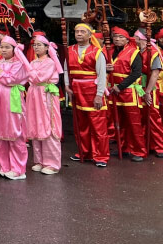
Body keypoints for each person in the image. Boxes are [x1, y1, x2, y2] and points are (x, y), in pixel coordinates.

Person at [64, 23, 109, 167]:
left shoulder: (97, 51)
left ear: (90, 35)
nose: (78, 34)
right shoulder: (69, 50)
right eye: (77, 31)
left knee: (98, 126)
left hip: (92, 91)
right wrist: (66, 85)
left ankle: (101, 156)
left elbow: (102, 75)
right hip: (77, 90)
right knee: (81, 125)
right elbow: (66, 70)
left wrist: (99, 94)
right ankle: (85, 152)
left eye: (82, 31)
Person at [0, 36, 30, 179]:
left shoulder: (19, 63)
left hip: (12, 99)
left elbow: (11, 80)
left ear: (14, 49)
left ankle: (18, 169)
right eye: (2, 46)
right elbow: (1, 80)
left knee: (14, 133)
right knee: (1, 133)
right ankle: (4, 167)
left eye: (7, 47)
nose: (3, 49)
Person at [106, 27, 145, 161]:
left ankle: (138, 151)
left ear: (127, 39)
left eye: (121, 37)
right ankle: (123, 147)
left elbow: (136, 73)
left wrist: (121, 86)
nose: (117, 39)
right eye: (115, 36)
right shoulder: (109, 51)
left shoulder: (134, 52)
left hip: (128, 92)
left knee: (134, 124)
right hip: (114, 91)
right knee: (119, 122)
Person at [26, 36, 63, 175]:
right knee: (35, 124)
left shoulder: (50, 62)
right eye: (34, 45)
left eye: (39, 45)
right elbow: (30, 77)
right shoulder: (33, 62)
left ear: (47, 47)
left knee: (48, 125)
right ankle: (39, 160)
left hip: (45, 94)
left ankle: (52, 163)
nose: (36, 47)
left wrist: (28, 69)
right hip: (34, 94)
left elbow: (37, 78)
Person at [136, 29, 163, 157]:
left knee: (153, 116)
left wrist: (147, 91)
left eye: (135, 36)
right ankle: (146, 144)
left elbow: (155, 73)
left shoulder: (152, 52)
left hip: (150, 87)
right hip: (138, 86)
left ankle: (159, 146)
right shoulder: (136, 51)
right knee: (141, 117)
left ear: (141, 38)